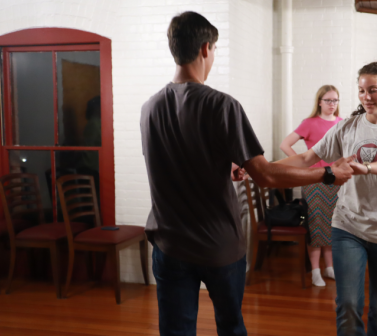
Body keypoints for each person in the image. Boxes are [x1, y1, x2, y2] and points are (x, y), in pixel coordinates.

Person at [140, 12, 354, 336]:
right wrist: (326, 175)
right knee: (231, 327)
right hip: (218, 245)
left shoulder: (150, 107)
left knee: (175, 332)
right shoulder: (221, 105)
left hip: (169, 245)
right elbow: (266, 176)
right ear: (206, 48)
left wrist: (223, 166)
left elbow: (177, 161)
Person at [278, 61, 377, 336]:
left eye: (373, 90)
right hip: (348, 227)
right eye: (362, 90)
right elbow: (307, 157)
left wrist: (364, 168)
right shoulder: (347, 127)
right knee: (348, 304)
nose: (366, 97)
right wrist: (261, 168)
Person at [280, 85, 343, 286]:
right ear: (319, 102)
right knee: (316, 224)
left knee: (333, 225)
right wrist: (305, 165)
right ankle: (315, 270)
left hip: (337, 182)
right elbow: (285, 145)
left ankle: (329, 267)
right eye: (328, 100)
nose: (332, 104)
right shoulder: (309, 123)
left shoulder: (342, 123)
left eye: (335, 100)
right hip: (314, 181)